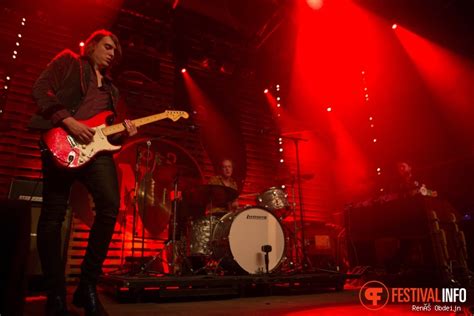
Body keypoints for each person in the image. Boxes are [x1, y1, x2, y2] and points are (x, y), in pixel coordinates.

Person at [29, 29, 137, 316]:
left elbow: (109, 136)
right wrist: (68, 120)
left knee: (110, 207)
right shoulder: (69, 63)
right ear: (91, 46)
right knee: (53, 215)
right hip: (61, 139)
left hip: (94, 152)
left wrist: (126, 134)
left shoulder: (113, 91)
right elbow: (40, 88)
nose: (113, 53)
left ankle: (87, 286)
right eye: (108, 46)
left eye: (116, 50)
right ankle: (55, 294)